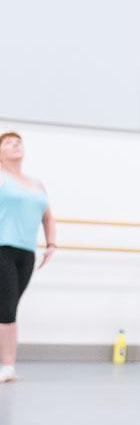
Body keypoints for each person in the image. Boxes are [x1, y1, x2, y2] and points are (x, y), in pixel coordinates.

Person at [0, 131, 56, 384]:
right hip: (2, 249)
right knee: (7, 310)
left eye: (18, 142)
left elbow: (48, 216)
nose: (15, 145)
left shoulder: (36, 183)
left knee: (6, 307)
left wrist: (51, 243)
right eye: (8, 143)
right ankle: (8, 367)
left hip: (26, 254)